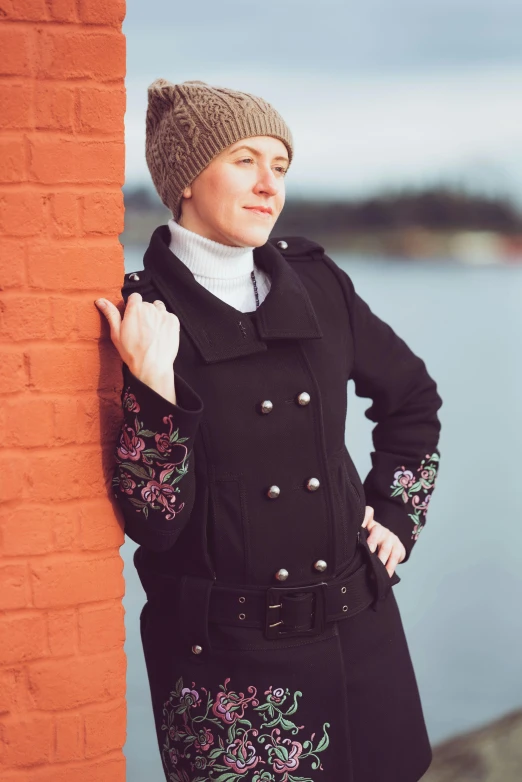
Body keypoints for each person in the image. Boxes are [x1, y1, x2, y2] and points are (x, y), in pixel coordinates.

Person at [94, 78, 442, 782]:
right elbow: (155, 524)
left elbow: (411, 399)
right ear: (187, 177)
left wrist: (400, 514)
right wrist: (154, 386)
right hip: (230, 667)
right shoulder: (144, 315)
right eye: (245, 160)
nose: (268, 185)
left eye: (280, 166)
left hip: (361, 632)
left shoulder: (318, 284)